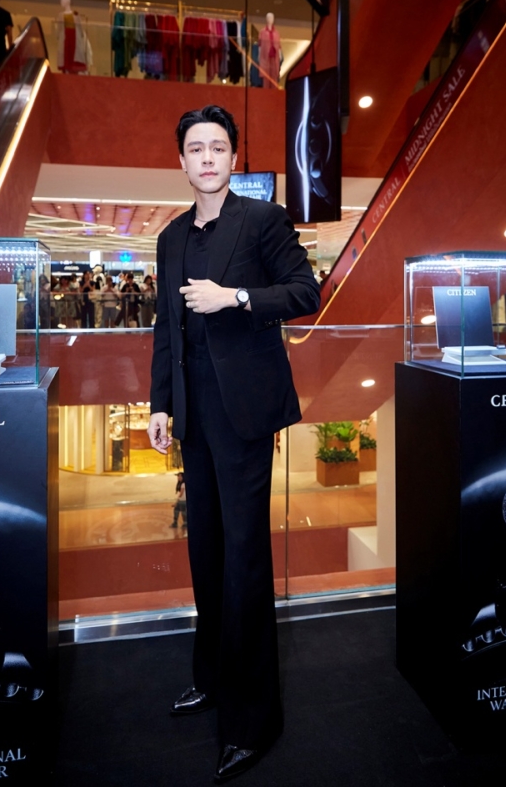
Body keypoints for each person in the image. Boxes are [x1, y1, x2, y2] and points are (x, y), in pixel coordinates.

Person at [148, 104, 320, 782]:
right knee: (207, 553)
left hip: (245, 415)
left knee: (245, 561)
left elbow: (305, 292)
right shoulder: (169, 237)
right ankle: (212, 678)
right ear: (181, 161)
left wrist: (236, 298)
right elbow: (165, 329)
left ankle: (253, 722)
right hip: (194, 416)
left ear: (233, 157)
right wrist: (161, 404)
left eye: (218, 147)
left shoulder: (262, 220)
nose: (207, 157)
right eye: (196, 148)